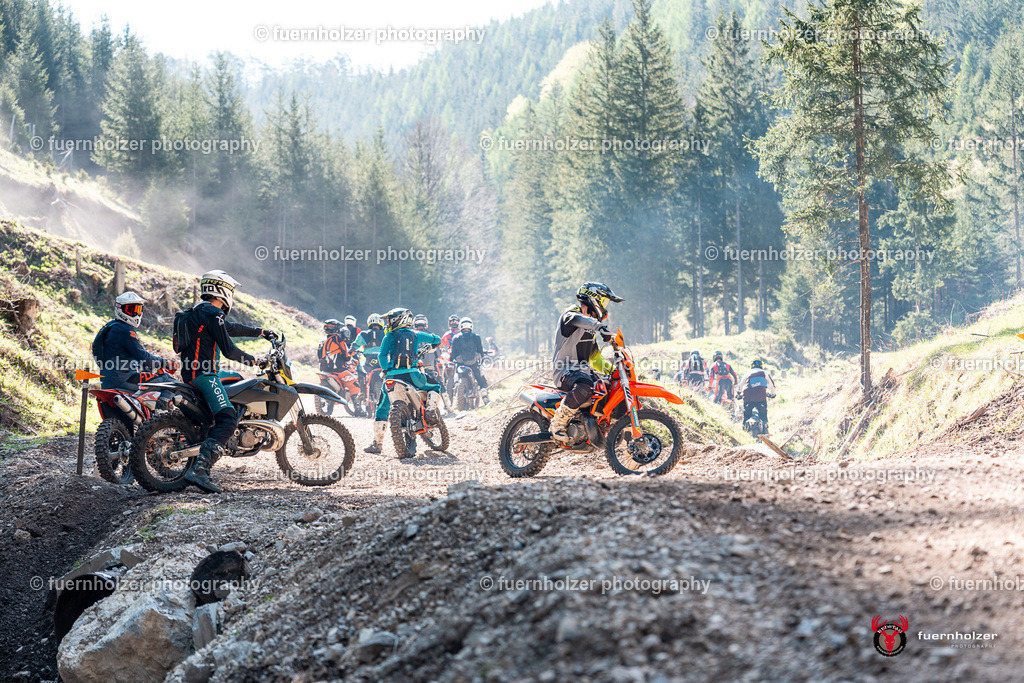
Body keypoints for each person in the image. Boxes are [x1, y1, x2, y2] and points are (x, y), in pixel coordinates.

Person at [176, 270, 277, 493]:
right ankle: (200, 470)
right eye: (230, 290)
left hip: (191, 373)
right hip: (204, 375)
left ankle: (206, 444)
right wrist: (255, 361)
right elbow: (229, 350)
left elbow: (229, 328)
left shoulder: (196, 312)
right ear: (221, 290)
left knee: (236, 382)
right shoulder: (213, 314)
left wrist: (259, 332)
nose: (231, 295)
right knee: (228, 419)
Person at [550, 282, 623, 445]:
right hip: (564, 372)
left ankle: (611, 430)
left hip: (582, 374)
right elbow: (578, 318)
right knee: (586, 384)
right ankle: (558, 424)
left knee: (610, 386)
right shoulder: (571, 314)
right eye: (604, 302)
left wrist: (615, 372)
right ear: (593, 300)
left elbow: (596, 360)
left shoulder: (589, 330)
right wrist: (600, 326)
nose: (605, 308)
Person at [364, 308, 444, 454]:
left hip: (393, 376)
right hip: (413, 375)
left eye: (389, 320)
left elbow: (382, 356)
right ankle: (431, 410)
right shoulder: (416, 334)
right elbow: (437, 340)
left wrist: (387, 369)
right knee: (435, 385)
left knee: (382, 407)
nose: (387, 323)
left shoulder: (389, 336)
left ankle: (377, 443)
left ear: (397, 320)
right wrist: (432, 342)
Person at [92, 291, 176, 393]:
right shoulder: (125, 330)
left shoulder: (111, 326)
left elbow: (130, 356)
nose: (135, 314)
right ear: (120, 309)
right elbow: (142, 356)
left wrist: (148, 366)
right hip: (123, 380)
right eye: (130, 310)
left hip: (109, 380)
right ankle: (162, 407)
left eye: (138, 310)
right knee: (167, 381)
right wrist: (163, 362)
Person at [450, 317, 489, 402]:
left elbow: (453, 354)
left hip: (461, 365)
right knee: (482, 381)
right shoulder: (476, 337)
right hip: (473, 364)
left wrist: (452, 359)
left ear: (460, 326)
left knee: (455, 379)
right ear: (471, 326)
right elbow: (480, 351)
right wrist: (480, 356)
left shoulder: (456, 338)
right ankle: (485, 399)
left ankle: (451, 398)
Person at [739, 358, 777, 432]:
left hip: (747, 396)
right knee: (763, 415)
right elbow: (772, 385)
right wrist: (772, 394)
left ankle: (744, 429)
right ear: (761, 365)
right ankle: (765, 428)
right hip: (760, 397)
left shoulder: (748, 373)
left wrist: (738, 394)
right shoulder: (764, 372)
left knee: (746, 416)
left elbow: (740, 385)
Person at [350, 313, 386, 390]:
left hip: (369, 363)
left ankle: (362, 391)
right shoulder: (386, 334)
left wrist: (351, 351)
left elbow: (355, 345)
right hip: (382, 362)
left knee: (359, 369)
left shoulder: (363, 334)